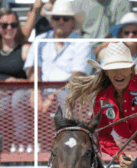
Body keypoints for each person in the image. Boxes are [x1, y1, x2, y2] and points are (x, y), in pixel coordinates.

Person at [18, 0, 94, 152]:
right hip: (40, 89)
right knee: (17, 98)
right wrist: (35, 93)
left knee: (66, 98)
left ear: (73, 22)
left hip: (68, 91)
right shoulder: (40, 40)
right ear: (51, 21)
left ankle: (65, 145)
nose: (60, 21)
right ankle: (21, 144)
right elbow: (34, 71)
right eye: (57, 17)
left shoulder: (83, 43)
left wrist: (51, 97)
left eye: (65, 18)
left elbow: (76, 77)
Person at [0, 8, 31, 153]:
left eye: (13, 24)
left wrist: (15, 81)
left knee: (16, 100)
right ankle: (6, 146)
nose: (9, 28)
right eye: (4, 25)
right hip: (2, 94)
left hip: (21, 92)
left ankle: (21, 144)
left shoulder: (24, 49)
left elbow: (34, 79)